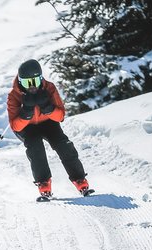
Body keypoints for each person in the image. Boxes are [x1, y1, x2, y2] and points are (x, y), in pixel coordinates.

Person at [7, 59, 92, 200]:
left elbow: (60, 116)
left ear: (41, 78)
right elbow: (16, 126)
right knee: (35, 147)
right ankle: (44, 183)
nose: (32, 86)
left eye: (35, 81)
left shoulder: (49, 88)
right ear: (20, 82)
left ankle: (80, 179)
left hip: (48, 122)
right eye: (27, 83)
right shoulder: (14, 96)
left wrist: (48, 108)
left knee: (63, 144)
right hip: (27, 127)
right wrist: (26, 112)